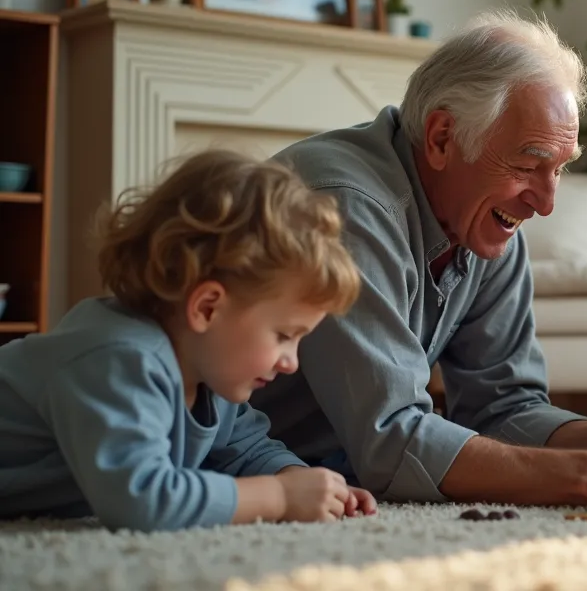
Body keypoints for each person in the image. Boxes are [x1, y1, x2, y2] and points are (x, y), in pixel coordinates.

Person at [249, 10, 587, 514]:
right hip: (231, 464)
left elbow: (505, 409)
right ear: (441, 138)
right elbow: (392, 442)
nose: (545, 204)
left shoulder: (484, 223)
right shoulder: (345, 207)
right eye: (526, 165)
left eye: (560, 169)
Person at [0, 149, 376, 531]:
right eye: (283, 336)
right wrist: (279, 497)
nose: (291, 362)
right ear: (208, 308)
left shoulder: (209, 368)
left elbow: (247, 449)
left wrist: (307, 483)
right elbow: (143, 499)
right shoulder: (120, 358)